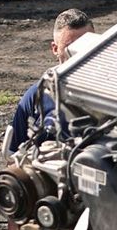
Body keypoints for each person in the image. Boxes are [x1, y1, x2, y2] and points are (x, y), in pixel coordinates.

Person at [8, 9, 95, 153]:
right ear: (55, 49)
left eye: (86, 45)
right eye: (70, 47)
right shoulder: (37, 96)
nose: (79, 54)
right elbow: (14, 157)